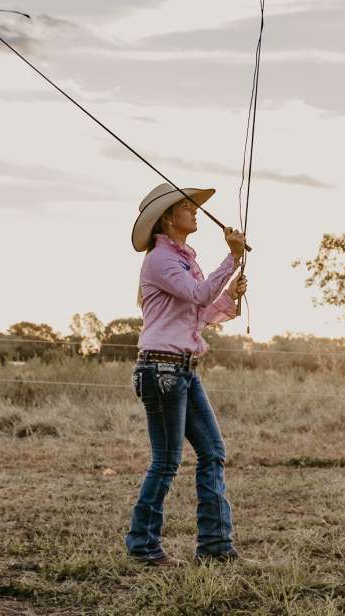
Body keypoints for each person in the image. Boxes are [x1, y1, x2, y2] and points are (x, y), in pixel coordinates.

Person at [125, 182, 248, 567]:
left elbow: (200, 312)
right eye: (187, 206)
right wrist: (231, 258)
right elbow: (198, 295)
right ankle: (142, 546)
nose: (195, 211)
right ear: (168, 217)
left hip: (181, 369)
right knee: (166, 462)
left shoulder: (183, 260)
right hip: (161, 368)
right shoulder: (160, 260)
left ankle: (214, 547)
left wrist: (231, 293)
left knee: (212, 452)